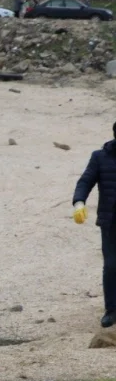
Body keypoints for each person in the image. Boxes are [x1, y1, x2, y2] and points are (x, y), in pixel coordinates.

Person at [72, 121, 116, 328]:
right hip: (111, 221)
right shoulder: (100, 157)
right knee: (111, 266)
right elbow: (85, 181)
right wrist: (79, 202)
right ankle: (112, 310)